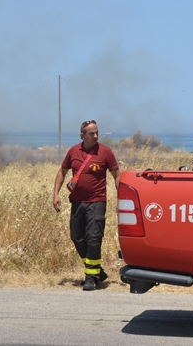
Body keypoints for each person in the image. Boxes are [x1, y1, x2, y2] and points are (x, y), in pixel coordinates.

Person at [53, 120, 120, 291]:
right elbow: (62, 171)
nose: (96, 136)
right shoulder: (74, 151)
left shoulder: (106, 152)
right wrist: (56, 194)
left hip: (97, 201)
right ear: (82, 135)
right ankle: (98, 271)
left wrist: (121, 199)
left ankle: (91, 277)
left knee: (93, 238)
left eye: (97, 132)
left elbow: (116, 176)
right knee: (77, 237)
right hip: (77, 202)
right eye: (91, 133)